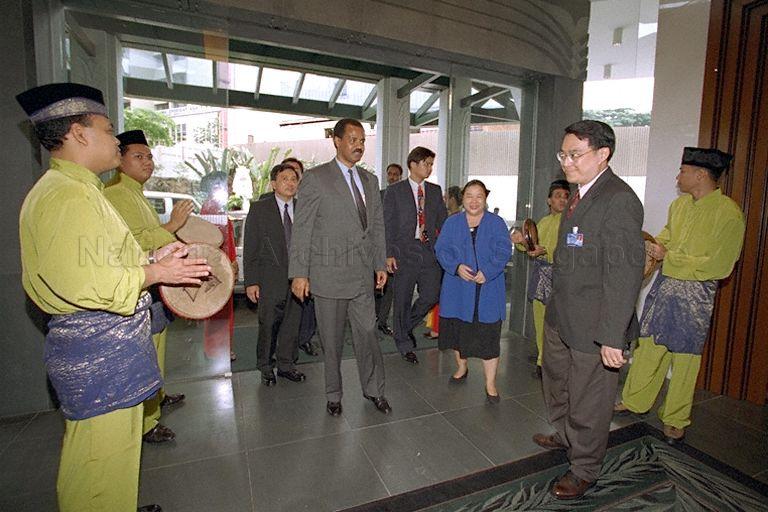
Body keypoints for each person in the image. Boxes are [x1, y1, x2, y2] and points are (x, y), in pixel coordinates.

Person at [16, 83, 210, 512]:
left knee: (114, 459)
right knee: (98, 466)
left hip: (109, 349)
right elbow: (81, 281)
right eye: (107, 130)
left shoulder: (82, 190)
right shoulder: (66, 195)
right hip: (96, 351)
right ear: (78, 134)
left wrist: (152, 255)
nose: (115, 140)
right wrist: (157, 271)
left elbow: (103, 260)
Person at [532, 120, 645, 500]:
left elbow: (624, 272)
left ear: (603, 154)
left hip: (595, 325)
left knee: (590, 400)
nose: (566, 162)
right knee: (559, 385)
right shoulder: (579, 194)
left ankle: (584, 468)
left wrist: (612, 335)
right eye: (563, 154)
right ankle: (564, 434)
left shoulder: (619, 199)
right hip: (563, 315)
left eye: (575, 154)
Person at [615, 147, 745, 444]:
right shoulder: (680, 206)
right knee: (648, 346)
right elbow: (667, 238)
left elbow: (720, 265)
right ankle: (635, 401)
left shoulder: (729, 213)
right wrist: (651, 246)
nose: (678, 176)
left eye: (683, 171)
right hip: (664, 288)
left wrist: (670, 256)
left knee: (685, 357)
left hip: (695, 296)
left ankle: (675, 418)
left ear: (701, 175)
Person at [289, 118, 390, 417]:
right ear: (336, 140)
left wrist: (379, 262)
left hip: (361, 276)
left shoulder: (370, 181)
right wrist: (299, 273)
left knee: (369, 333)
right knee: (331, 341)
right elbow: (302, 228)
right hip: (328, 275)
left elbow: (377, 227)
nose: (359, 145)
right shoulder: (317, 178)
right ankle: (334, 394)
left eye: (362, 140)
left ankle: (374, 390)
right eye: (352, 139)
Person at [104, 129, 190, 445]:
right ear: (120, 160)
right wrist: (173, 227)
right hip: (138, 285)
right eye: (139, 156)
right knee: (147, 352)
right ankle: (146, 422)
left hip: (152, 285)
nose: (148, 162)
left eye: (150, 156)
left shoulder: (135, 192)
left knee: (157, 346)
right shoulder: (115, 194)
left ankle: (157, 397)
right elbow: (130, 246)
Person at [435, 180, 512, 402]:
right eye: (469, 195)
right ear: (463, 198)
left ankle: (490, 384)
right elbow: (441, 249)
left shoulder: (496, 223)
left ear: (485, 198)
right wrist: (456, 267)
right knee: (458, 333)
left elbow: (504, 250)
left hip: (487, 289)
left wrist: (488, 271)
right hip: (458, 290)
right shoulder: (452, 222)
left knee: (489, 337)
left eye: (479, 196)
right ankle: (462, 367)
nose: (474, 201)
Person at [243, 163, 306, 386]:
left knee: (292, 323)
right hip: (269, 278)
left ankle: (287, 365)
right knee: (269, 323)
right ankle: (266, 366)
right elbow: (250, 246)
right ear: (273, 184)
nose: (290, 183)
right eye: (285, 179)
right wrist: (251, 281)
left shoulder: (303, 208)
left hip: (298, 278)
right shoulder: (260, 209)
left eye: (294, 179)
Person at [384, 147, 448, 364]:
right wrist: (389, 253)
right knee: (401, 298)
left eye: (431, 164)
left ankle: (404, 327)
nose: (429, 168)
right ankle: (404, 343)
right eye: (426, 163)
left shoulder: (435, 190)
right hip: (404, 251)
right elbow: (388, 224)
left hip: (429, 250)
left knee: (432, 294)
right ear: (413, 164)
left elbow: (443, 222)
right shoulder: (395, 191)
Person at [511, 179, 570, 377]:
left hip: (562, 279)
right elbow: (532, 245)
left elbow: (572, 252)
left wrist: (546, 251)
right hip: (542, 276)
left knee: (560, 324)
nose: (562, 200)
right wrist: (520, 242)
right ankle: (542, 361)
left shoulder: (571, 223)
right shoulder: (544, 222)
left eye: (566, 196)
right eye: (558, 196)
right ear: (549, 200)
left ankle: (558, 363)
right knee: (540, 321)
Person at [200, 172, 238, 361]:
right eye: (227, 185)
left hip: (225, 268)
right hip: (218, 269)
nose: (231, 189)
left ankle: (221, 347)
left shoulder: (217, 209)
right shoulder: (210, 210)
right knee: (218, 311)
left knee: (224, 310)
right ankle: (216, 349)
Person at [424, 185, 463, 340]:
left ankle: (439, 329)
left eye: (446, 198)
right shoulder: (451, 218)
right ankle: (437, 327)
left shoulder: (454, 219)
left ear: (452, 200)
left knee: (442, 296)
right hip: (446, 262)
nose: (444, 200)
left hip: (447, 263)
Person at [375, 163, 403, 336]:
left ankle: (382, 321)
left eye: (395, 174)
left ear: (400, 176)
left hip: (395, 248)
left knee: (390, 288)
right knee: (376, 285)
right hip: (377, 246)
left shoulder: (403, 196)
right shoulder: (379, 195)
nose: (392, 177)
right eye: (390, 174)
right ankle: (372, 319)